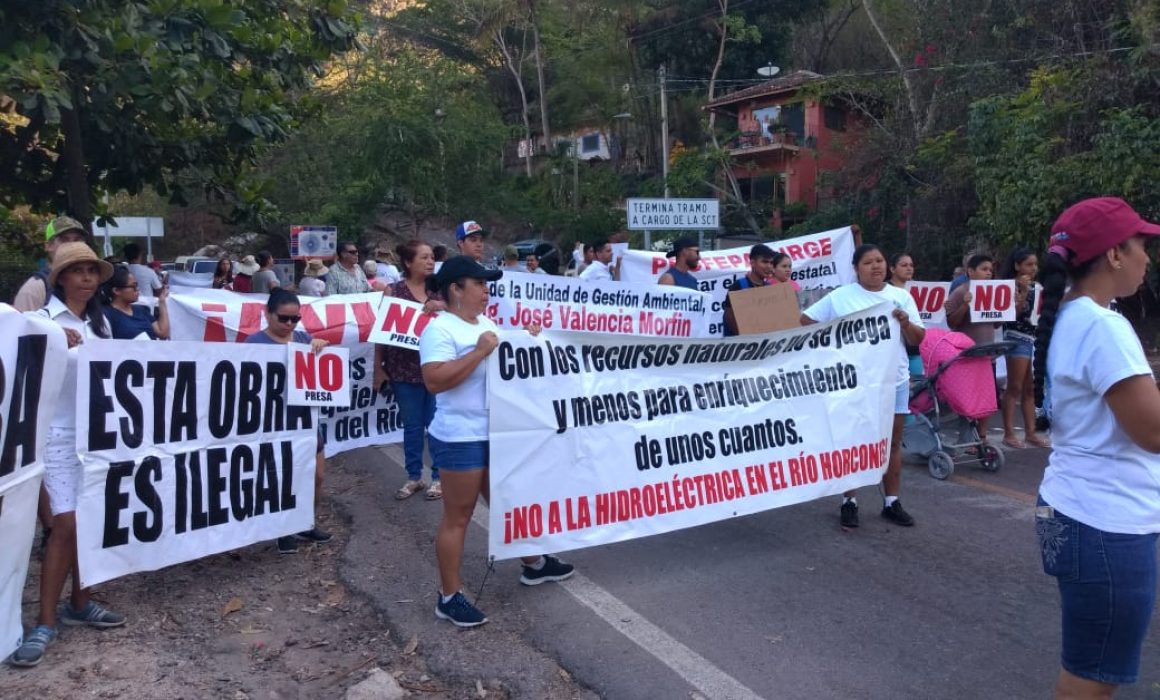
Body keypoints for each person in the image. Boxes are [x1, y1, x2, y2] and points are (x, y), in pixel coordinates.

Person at [1031, 197, 1160, 700]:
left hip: (1074, 510)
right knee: (1091, 676)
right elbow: (1151, 431)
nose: (1147, 258)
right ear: (1113, 255)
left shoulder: (1069, 317)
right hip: (1106, 523)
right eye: (1141, 246)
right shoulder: (1103, 326)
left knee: (1090, 663)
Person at [420, 256, 574, 627]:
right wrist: (478, 351)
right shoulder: (440, 330)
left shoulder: (484, 323)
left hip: (496, 432)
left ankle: (533, 564)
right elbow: (435, 381)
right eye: (480, 284)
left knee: (508, 503)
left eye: (488, 284)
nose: (487, 291)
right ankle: (449, 596)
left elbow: (501, 359)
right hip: (460, 437)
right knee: (459, 517)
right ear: (456, 288)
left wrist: (528, 338)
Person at [10, 243, 125, 668]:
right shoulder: (38, 322)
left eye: (91, 271)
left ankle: (81, 601)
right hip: (53, 437)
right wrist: (53, 340)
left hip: (95, 438)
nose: (86, 279)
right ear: (59, 278)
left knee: (89, 522)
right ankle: (44, 622)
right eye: (76, 271)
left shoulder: (103, 325)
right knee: (63, 525)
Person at [800, 244, 925, 528]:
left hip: (895, 380)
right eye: (868, 262)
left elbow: (918, 339)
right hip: (855, 383)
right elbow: (806, 321)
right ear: (856, 268)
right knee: (854, 440)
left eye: (880, 260)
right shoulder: (841, 297)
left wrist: (905, 323)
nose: (876, 266)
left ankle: (892, 502)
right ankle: (850, 501)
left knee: (892, 442)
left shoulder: (900, 297)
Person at [244, 288, 333, 554]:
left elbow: (323, 375)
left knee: (316, 477)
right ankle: (283, 529)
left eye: (296, 319)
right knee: (281, 479)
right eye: (284, 318)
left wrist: (321, 347)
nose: (290, 325)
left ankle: (306, 522)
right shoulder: (253, 345)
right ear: (267, 314)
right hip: (273, 425)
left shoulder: (304, 339)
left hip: (306, 422)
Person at [375, 240, 446, 501]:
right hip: (403, 371)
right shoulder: (393, 292)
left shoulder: (439, 290)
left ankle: (439, 477)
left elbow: (461, 317)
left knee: (437, 425)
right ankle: (414, 476)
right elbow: (380, 335)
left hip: (436, 369)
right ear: (408, 262)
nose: (430, 262)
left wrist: (443, 306)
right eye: (424, 257)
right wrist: (378, 369)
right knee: (413, 426)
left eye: (431, 258)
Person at [998, 248, 1049, 449]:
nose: (1033, 268)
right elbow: (1010, 314)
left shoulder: (1038, 286)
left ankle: (1030, 432)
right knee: (1015, 386)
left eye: (1035, 264)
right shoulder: (1009, 287)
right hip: (1016, 337)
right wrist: (1024, 292)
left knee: (1029, 388)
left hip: (1033, 338)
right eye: (1029, 264)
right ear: (1017, 266)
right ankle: (1009, 433)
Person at [945, 254, 999, 442]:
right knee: (968, 397)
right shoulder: (960, 292)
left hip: (987, 354)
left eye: (990, 271)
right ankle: (967, 437)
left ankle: (982, 437)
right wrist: (966, 305)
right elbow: (952, 322)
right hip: (967, 355)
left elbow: (998, 324)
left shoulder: (993, 292)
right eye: (984, 269)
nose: (988, 274)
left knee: (987, 397)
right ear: (970, 271)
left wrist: (1012, 303)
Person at [13, 216, 88, 312]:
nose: (72, 245)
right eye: (64, 240)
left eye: (77, 240)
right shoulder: (36, 288)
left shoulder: (92, 283)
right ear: (48, 246)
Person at [102, 265, 170, 340]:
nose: (138, 290)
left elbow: (163, 333)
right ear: (116, 290)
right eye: (133, 286)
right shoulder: (106, 315)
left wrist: (162, 302)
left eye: (137, 286)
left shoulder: (142, 310)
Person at [723, 244, 776, 336]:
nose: (769, 266)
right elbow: (729, 319)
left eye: (771, 263)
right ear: (752, 263)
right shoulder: (738, 286)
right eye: (764, 262)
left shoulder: (769, 288)